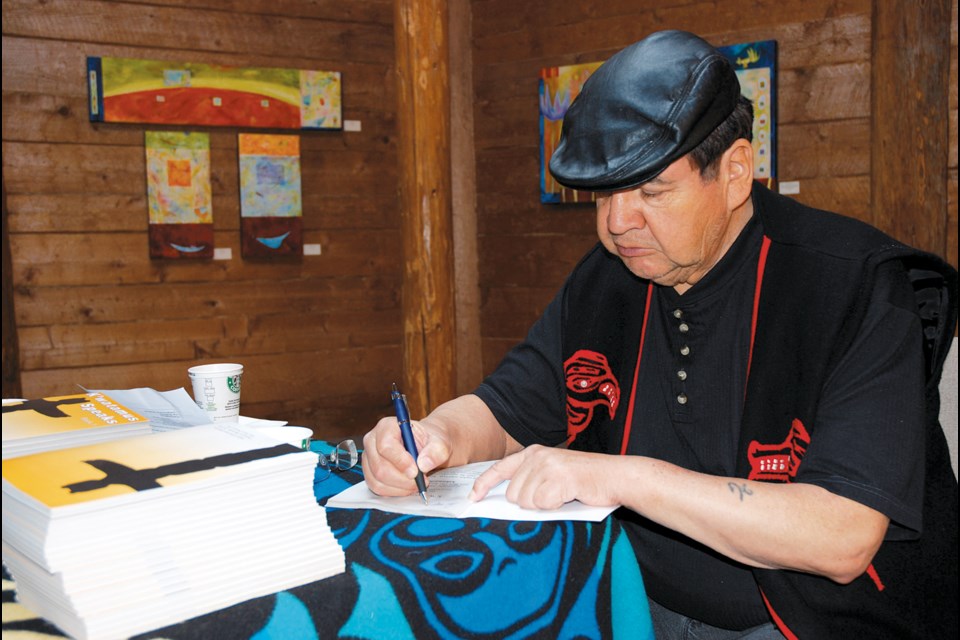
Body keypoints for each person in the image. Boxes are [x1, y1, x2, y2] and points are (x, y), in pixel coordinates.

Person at [362, 30, 958, 639]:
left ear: (734, 173)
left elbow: (844, 536)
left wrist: (621, 475)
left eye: (652, 191)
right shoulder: (608, 279)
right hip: (634, 599)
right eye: (603, 195)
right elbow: (505, 410)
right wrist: (436, 436)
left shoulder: (851, 286)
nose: (618, 223)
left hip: (812, 623)